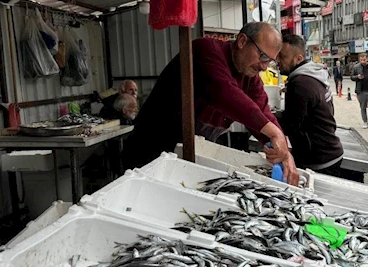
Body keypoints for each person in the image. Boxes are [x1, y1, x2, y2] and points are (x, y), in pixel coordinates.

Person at [123, 21, 299, 186]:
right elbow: (224, 92)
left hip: (186, 157)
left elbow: (263, 112)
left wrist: (285, 153)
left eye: (269, 61)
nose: (263, 67)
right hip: (150, 148)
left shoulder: (250, 78)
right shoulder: (205, 50)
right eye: (262, 56)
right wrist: (274, 132)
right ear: (242, 41)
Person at [276, 35, 345, 176]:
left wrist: (262, 116)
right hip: (330, 150)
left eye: (282, 57)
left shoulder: (299, 83)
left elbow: (291, 124)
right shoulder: (315, 76)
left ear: (299, 59)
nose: (277, 61)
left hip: (319, 159)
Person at [351, 53, 368, 129]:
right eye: (361, 60)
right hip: (361, 90)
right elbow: (352, 77)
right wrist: (357, 77)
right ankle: (365, 122)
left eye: (364, 59)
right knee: (363, 107)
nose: (363, 61)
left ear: (367, 59)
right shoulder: (356, 67)